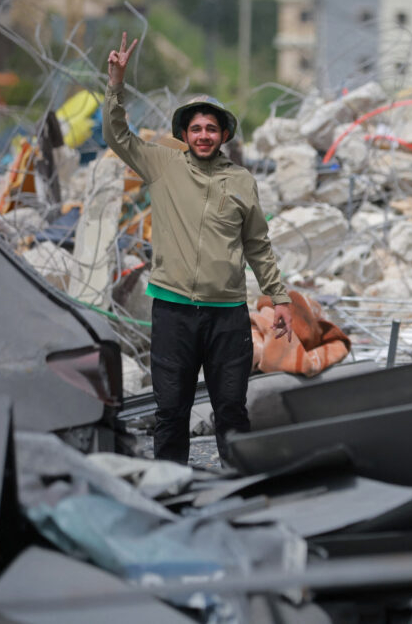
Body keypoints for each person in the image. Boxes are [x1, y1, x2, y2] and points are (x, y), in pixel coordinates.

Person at [104, 32, 292, 465]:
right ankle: (171, 489)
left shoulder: (241, 180)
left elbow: (257, 245)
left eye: (211, 128)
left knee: (230, 409)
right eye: (196, 128)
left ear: (223, 134)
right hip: (173, 312)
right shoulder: (162, 164)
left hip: (227, 315)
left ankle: (238, 486)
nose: (203, 135)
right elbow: (117, 136)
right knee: (171, 410)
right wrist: (116, 85)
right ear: (184, 134)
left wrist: (279, 297)